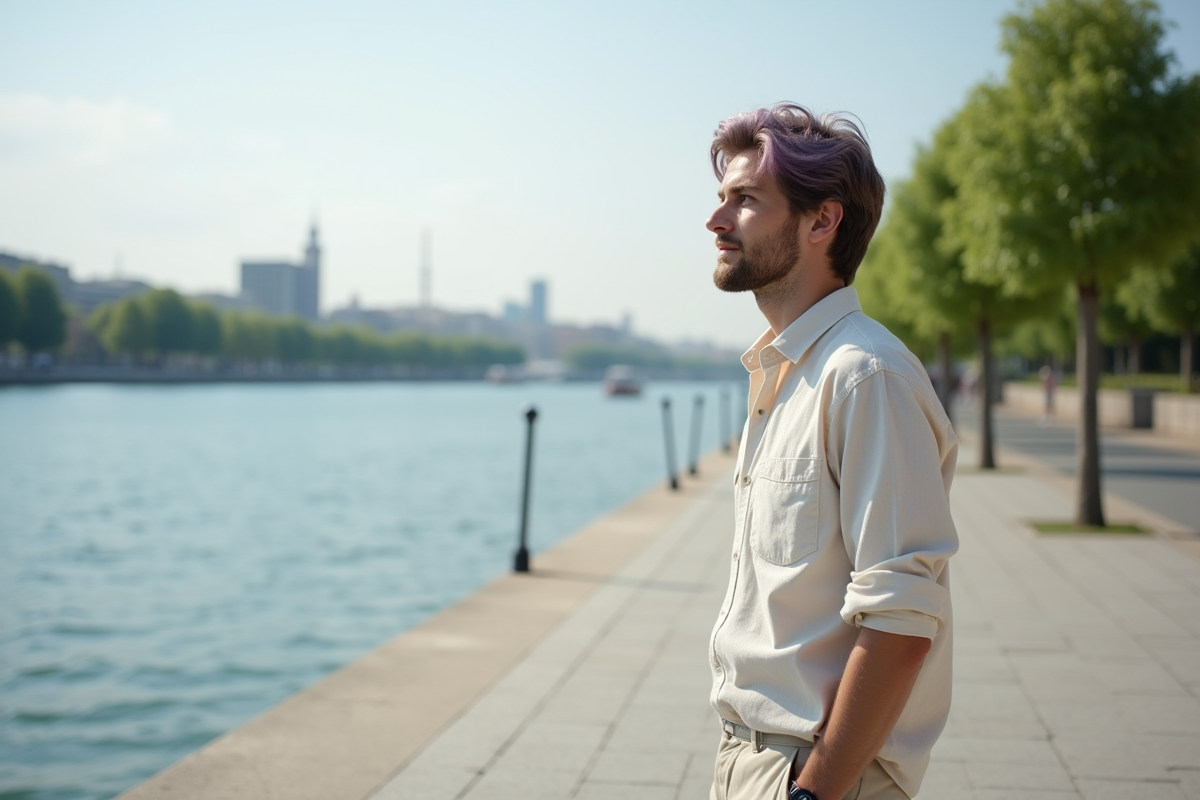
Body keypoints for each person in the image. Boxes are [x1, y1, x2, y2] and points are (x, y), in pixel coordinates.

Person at [704, 104, 959, 800]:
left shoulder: (865, 376)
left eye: (745, 200)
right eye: (721, 198)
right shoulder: (786, 376)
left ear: (822, 222)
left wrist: (816, 790)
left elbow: (902, 618)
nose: (716, 221)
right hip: (750, 762)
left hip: (818, 774)